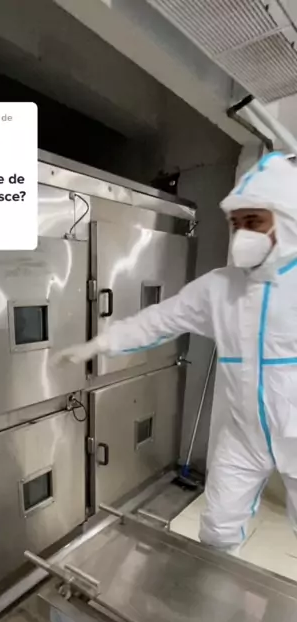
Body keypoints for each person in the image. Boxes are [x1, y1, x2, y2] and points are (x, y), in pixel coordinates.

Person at [56, 152, 297, 554]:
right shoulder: (220, 287)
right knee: (218, 528)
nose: (243, 234)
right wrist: (101, 343)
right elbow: (160, 319)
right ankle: (215, 586)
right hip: (244, 431)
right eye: (237, 223)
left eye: (255, 221)